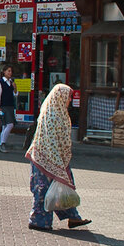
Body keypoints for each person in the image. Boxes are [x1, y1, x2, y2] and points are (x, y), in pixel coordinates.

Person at [24, 83, 90, 232]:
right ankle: (38, 222)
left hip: (51, 158)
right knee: (43, 190)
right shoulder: (54, 114)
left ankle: (73, 217)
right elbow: (54, 141)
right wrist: (60, 160)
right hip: (47, 158)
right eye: (68, 98)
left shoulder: (53, 111)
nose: (69, 101)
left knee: (63, 187)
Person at [0, 65, 17, 153]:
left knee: (5, 126)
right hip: (3, 107)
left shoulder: (11, 82)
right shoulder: (0, 83)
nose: (10, 73)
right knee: (9, 124)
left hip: (10, 106)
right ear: (4, 72)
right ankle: (2, 143)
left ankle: (2, 143)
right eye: (8, 71)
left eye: (11, 71)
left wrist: (15, 88)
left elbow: (15, 94)